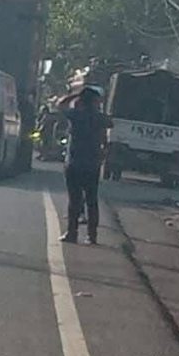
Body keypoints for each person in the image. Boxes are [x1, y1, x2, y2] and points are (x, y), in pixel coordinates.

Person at [58, 87, 111, 245]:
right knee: (91, 201)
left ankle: (72, 233)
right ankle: (91, 236)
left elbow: (60, 105)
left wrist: (74, 95)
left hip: (74, 163)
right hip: (92, 164)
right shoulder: (99, 118)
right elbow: (110, 124)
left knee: (74, 200)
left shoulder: (76, 115)